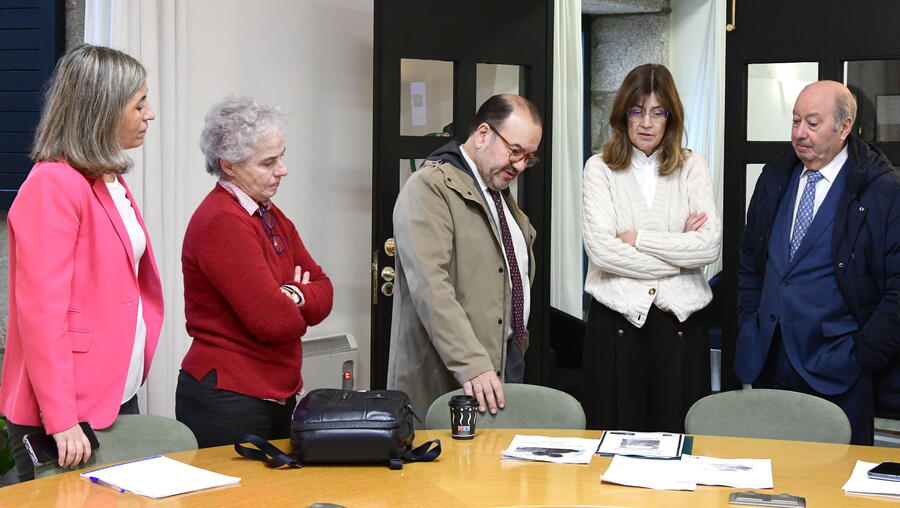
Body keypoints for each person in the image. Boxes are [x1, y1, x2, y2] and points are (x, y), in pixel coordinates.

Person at [0, 44, 163, 482]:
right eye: (139, 104)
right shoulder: (53, 183)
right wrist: (61, 417)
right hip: (65, 410)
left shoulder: (108, 177)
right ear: (103, 109)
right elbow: (41, 312)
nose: (149, 115)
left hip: (111, 392)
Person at [736, 80, 900, 446]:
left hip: (840, 369)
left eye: (812, 123)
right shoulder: (776, 176)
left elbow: (897, 290)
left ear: (844, 128)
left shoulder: (881, 190)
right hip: (770, 362)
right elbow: (750, 259)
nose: (799, 133)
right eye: (795, 121)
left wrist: (862, 355)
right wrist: (750, 323)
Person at [176, 97, 333, 448]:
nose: (283, 169)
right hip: (228, 398)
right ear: (228, 165)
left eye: (281, 155)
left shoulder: (269, 214)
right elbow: (273, 322)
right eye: (268, 162)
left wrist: (291, 294)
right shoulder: (222, 221)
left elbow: (325, 291)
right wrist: (299, 296)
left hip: (273, 393)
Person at [581, 63, 721, 433]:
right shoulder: (599, 168)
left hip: (681, 326)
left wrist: (640, 239)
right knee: (610, 446)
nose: (646, 123)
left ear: (670, 118)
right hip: (615, 325)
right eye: (637, 112)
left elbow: (708, 247)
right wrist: (680, 257)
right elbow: (602, 252)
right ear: (622, 116)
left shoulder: (693, 167)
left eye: (658, 113)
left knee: (676, 445)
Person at [387, 94, 542, 419]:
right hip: (455, 373)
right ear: (483, 134)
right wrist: (473, 364)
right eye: (515, 151)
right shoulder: (429, 188)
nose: (520, 165)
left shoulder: (497, 194)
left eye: (529, 157)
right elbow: (432, 289)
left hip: (503, 362)